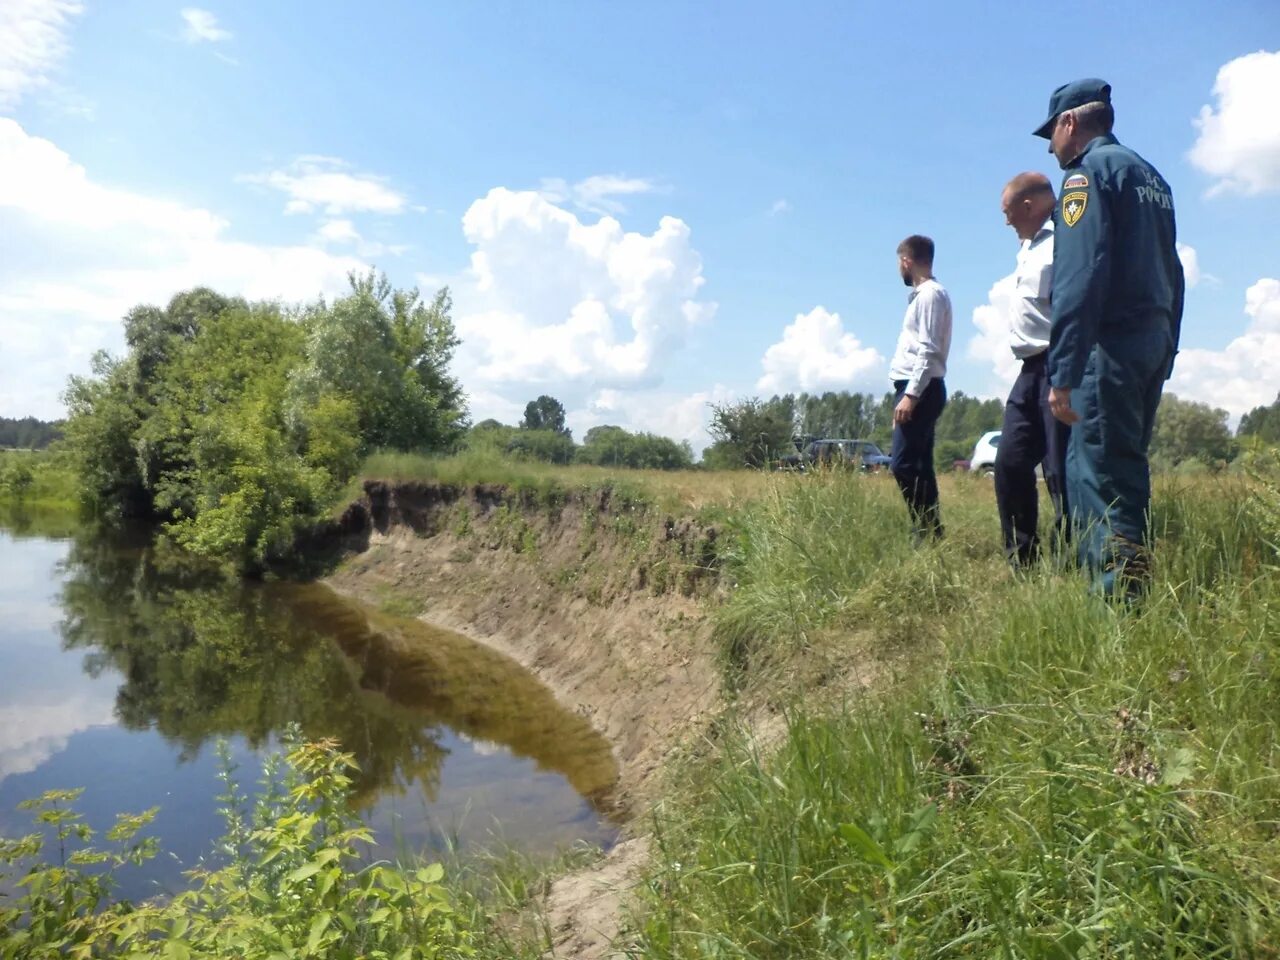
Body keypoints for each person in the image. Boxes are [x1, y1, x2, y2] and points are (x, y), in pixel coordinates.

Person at [1034, 78, 1184, 598]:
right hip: (1151, 342)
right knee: (1118, 464)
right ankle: (1106, 589)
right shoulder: (1151, 176)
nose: (1050, 144)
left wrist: (1064, 368)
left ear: (1070, 122)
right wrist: (1169, 346)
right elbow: (1174, 268)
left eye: (1050, 132)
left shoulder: (1086, 175)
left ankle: (1119, 609)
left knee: (1102, 476)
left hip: (1110, 348)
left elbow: (1080, 276)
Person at [994, 172, 1070, 566]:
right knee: (1009, 461)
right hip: (1028, 370)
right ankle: (1022, 559)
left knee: (1059, 469)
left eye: (1008, 211)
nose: (1005, 221)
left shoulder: (1064, 240)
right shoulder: (1027, 247)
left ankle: (1069, 558)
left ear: (1029, 206)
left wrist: (1067, 372)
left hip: (1059, 359)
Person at [888, 234, 952, 543]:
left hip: (921, 388)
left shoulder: (929, 295)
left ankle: (924, 530)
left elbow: (927, 350)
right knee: (920, 465)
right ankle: (932, 532)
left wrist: (911, 395)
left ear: (906, 261)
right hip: (917, 386)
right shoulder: (924, 296)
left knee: (902, 465)